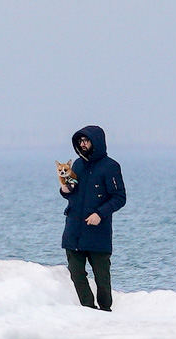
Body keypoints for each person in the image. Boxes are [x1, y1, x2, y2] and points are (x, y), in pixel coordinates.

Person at [59, 125, 126, 311]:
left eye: (86, 141)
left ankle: (105, 311)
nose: (83, 144)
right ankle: (88, 309)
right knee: (76, 273)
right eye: (80, 141)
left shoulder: (111, 167)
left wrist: (100, 214)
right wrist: (64, 190)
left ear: (96, 142)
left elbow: (119, 197)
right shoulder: (78, 165)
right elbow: (72, 188)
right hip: (74, 230)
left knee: (102, 277)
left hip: (98, 232)